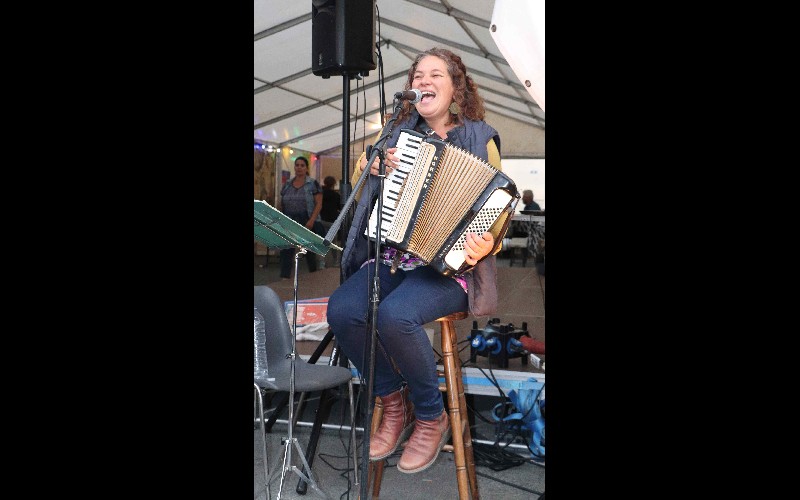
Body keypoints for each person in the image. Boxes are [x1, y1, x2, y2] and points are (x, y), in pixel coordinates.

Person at [327, 47, 510, 474]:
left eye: (435, 74)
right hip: (394, 258)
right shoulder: (395, 135)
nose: (424, 81)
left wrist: (488, 244)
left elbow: (500, 208)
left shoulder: (480, 137)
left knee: (395, 315)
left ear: (455, 87)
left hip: (448, 269)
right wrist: (371, 169)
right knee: (344, 310)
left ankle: (431, 414)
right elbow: (360, 182)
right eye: (418, 74)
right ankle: (393, 402)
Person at [278, 156, 323, 279]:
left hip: (306, 219)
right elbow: (281, 201)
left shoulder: (312, 183)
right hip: (289, 219)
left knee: (308, 250)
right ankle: (284, 276)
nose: (299, 168)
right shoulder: (287, 184)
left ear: (306, 168)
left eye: (302, 165)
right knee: (286, 249)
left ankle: (313, 275)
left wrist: (311, 220)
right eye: (297, 165)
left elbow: (319, 203)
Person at [318, 176, 341, 268]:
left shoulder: (321, 194)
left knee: (322, 241)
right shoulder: (336, 196)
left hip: (322, 219)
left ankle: (322, 262)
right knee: (333, 242)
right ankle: (335, 261)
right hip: (332, 221)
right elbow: (340, 207)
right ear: (334, 184)